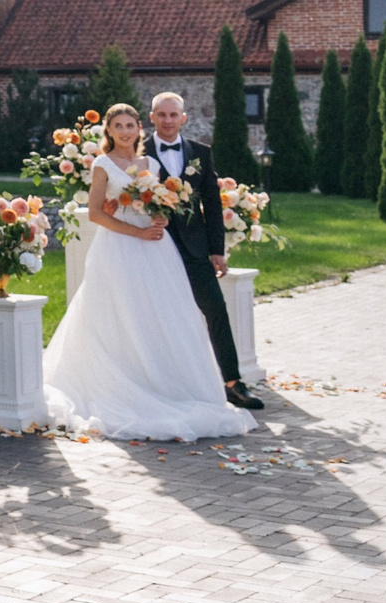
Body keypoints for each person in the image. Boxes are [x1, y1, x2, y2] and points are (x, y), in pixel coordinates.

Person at [42, 103, 252, 441]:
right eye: (118, 126)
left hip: (156, 249)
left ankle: (171, 384)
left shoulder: (150, 163)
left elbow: (161, 202)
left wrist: (160, 218)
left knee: (160, 316)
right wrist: (137, 231)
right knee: (120, 317)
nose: (125, 131)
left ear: (140, 127)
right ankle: (123, 384)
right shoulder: (102, 164)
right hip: (119, 249)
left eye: (130, 125)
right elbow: (96, 213)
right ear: (108, 131)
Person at [142, 91, 264, 411]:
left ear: (184, 118)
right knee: (155, 316)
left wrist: (216, 250)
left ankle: (233, 383)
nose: (168, 121)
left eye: (174, 115)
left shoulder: (200, 152)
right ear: (151, 117)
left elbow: (211, 202)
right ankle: (160, 384)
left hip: (195, 248)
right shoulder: (136, 153)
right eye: (162, 115)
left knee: (216, 310)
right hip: (152, 246)